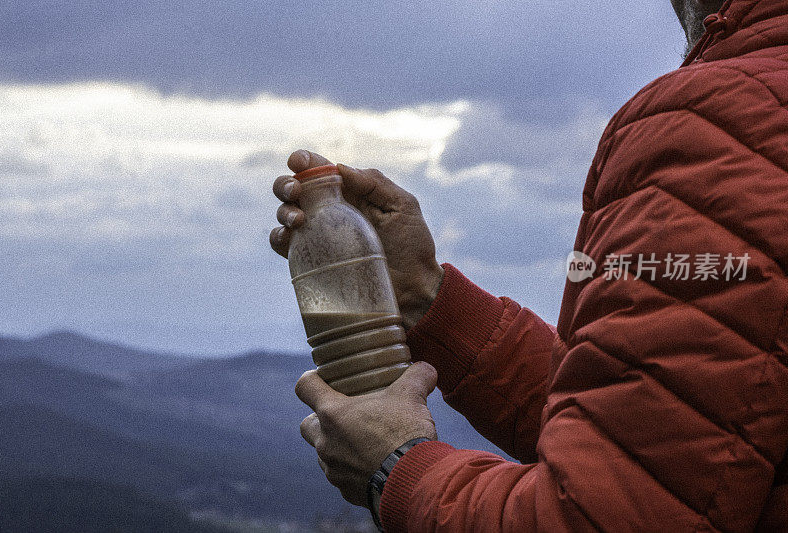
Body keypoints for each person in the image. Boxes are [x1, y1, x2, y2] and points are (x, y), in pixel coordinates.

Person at [270, 0, 788, 530]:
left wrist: (395, 468)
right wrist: (426, 297)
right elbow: (671, 435)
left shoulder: (725, 119)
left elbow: (607, 516)